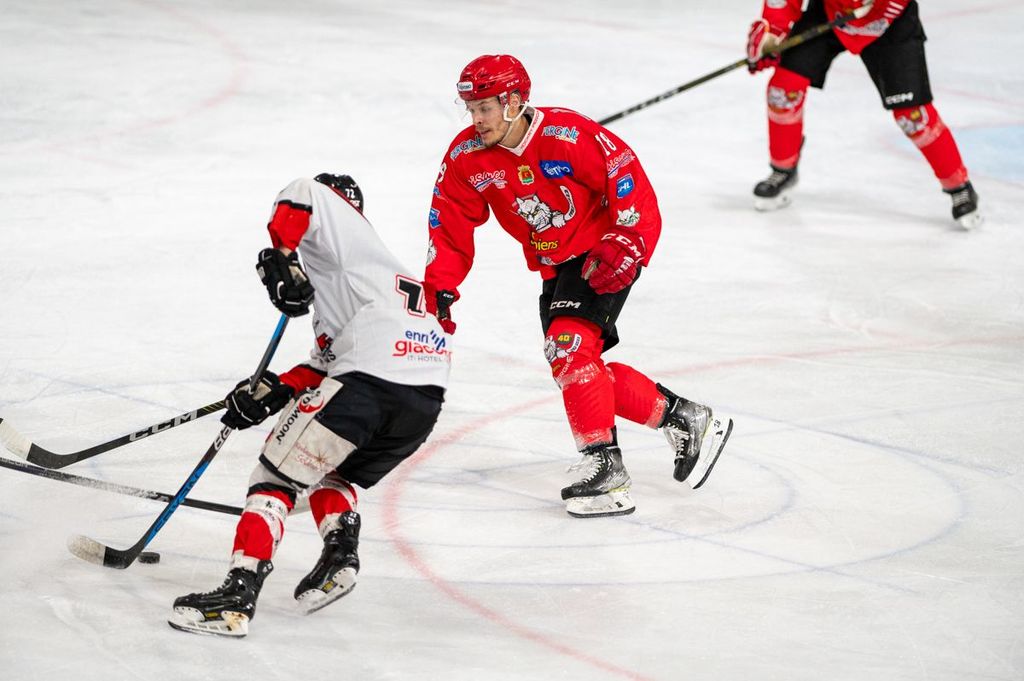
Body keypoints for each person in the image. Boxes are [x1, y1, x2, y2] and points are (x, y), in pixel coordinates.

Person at [422, 54, 733, 519]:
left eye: (485, 108)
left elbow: (628, 180)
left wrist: (628, 239)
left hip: (601, 254)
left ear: (514, 101)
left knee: (568, 349)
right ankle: (685, 418)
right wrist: (440, 286)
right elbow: (448, 222)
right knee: (576, 366)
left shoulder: (567, 134)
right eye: (471, 109)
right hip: (554, 268)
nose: (476, 119)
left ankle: (604, 467)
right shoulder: (466, 156)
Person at [168, 174, 451, 637]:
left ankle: (236, 597)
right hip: (422, 399)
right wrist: (274, 390)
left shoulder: (338, 222)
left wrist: (280, 256)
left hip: (371, 380)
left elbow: (302, 193)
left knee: (273, 478)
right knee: (328, 471)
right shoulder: (366, 279)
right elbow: (326, 366)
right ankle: (340, 556)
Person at [746, 0, 982, 229]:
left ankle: (959, 186)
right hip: (832, 11)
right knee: (783, 90)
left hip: (889, 20)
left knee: (913, 117)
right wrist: (772, 34)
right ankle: (783, 170)